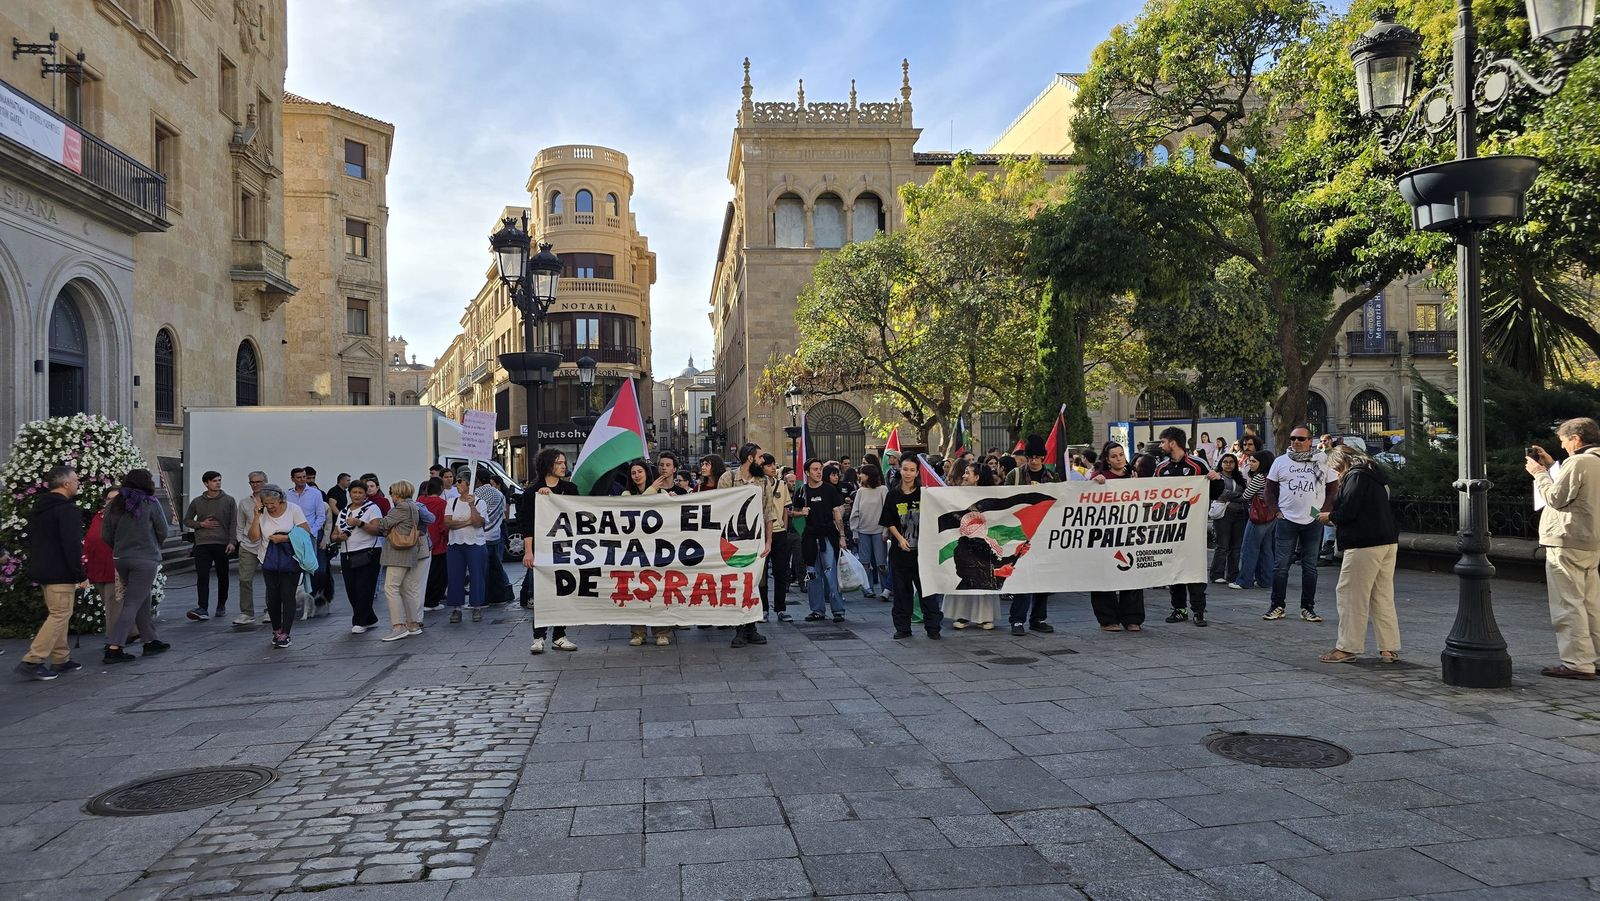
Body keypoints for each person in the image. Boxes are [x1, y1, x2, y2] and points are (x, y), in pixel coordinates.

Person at [1528, 417, 1600, 679]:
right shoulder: (1595, 460)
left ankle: (1577, 662)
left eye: (1563, 440)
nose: (1562, 446)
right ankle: (1595, 657)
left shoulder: (1578, 462)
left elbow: (1556, 497)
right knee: (1591, 603)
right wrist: (1551, 466)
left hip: (1567, 538)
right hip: (1590, 539)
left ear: (1576, 439)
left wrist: (1539, 473)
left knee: (1568, 602)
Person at [1317, 445, 1401, 664]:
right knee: (1382, 595)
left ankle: (1347, 647)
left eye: (1335, 469)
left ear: (1340, 463)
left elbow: (1349, 510)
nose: (1335, 474)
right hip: (1387, 540)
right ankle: (1389, 647)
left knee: (1350, 595)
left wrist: (1330, 517)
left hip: (1364, 542)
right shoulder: (1375, 475)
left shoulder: (1356, 476)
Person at [14, 466, 87, 680]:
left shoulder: (40, 508)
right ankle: (33, 660)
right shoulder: (67, 510)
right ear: (66, 484)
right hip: (60, 571)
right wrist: (80, 574)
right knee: (60, 614)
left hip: (43, 569)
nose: (78, 483)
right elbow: (72, 545)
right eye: (76, 480)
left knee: (59, 613)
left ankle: (60, 658)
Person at [1263, 427, 1339, 623]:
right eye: (1293, 438)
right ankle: (1277, 606)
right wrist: (1276, 511)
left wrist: (1324, 512)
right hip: (1286, 520)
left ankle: (1308, 608)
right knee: (1280, 566)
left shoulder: (1322, 461)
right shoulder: (1280, 461)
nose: (1296, 441)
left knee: (1310, 567)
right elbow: (1269, 490)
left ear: (1310, 441)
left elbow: (1333, 489)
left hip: (1313, 520)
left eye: (1301, 438)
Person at [104, 469, 172, 663]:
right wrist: (154, 545)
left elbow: (105, 534)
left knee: (142, 597)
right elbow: (163, 530)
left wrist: (119, 547)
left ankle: (150, 640)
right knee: (133, 602)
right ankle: (114, 647)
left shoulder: (114, 504)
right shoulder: (150, 502)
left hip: (121, 558)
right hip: (144, 558)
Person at [1154, 427, 1213, 627]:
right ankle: (1179, 609)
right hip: (1170, 529)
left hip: (1194, 528)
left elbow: (1212, 491)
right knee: (1175, 569)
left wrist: (1216, 480)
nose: (1161, 446)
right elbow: (1152, 493)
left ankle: (1198, 611)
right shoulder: (1161, 468)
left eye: (1163, 442)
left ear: (1172, 443)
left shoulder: (1197, 464)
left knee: (1195, 570)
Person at [524, 447, 579, 653]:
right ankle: (538, 637)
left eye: (564, 462)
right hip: (543, 550)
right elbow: (527, 524)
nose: (563, 466)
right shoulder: (532, 492)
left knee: (563, 591)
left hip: (565, 549)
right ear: (547, 465)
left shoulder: (570, 489)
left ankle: (559, 635)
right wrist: (528, 552)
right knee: (542, 593)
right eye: (558, 463)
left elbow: (579, 515)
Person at [1003, 435, 1059, 636]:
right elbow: (1005, 499)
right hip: (1021, 532)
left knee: (1043, 577)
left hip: (1044, 532)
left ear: (1043, 457)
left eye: (1038, 457)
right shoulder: (1015, 475)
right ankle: (1017, 620)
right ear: (1026, 457)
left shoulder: (1052, 477)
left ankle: (1038, 619)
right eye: (1031, 457)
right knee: (1022, 576)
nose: (1034, 461)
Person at [882, 456, 941, 640]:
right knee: (901, 592)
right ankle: (903, 628)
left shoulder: (925, 494)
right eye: (905, 469)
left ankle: (933, 627)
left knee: (927, 592)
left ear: (917, 473)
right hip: (900, 553)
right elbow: (888, 520)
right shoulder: (893, 494)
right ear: (900, 470)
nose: (908, 473)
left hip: (923, 554)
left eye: (912, 470)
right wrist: (899, 538)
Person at [367, 479, 433, 641]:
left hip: (398, 553)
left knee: (391, 588)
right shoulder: (413, 506)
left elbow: (382, 525)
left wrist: (375, 523)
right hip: (409, 551)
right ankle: (413, 624)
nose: (391, 496)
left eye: (393, 493)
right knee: (406, 588)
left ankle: (399, 626)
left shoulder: (401, 507)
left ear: (398, 493)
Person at [1090, 442, 1145, 632]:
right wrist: (1095, 484)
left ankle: (1132, 618)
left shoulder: (1134, 476)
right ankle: (1108, 619)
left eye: (1121, 455)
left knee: (1132, 572)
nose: (1119, 459)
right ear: (1107, 460)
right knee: (1104, 574)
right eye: (1114, 456)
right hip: (1105, 534)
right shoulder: (1100, 478)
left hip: (1130, 533)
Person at [249, 484, 311, 648]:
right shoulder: (261, 513)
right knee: (272, 597)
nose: (270, 507)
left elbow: (306, 532)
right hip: (268, 559)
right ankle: (276, 630)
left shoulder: (293, 509)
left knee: (287, 595)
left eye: (272, 503)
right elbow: (253, 537)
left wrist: (284, 538)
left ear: (281, 500)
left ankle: (285, 633)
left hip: (290, 558)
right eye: (266, 503)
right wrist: (256, 516)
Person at [622, 460, 674, 648]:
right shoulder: (626, 494)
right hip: (635, 551)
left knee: (659, 591)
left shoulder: (662, 494)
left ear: (646, 473)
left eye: (640, 471)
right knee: (636, 591)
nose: (636, 475)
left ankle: (662, 632)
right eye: (633, 473)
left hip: (657, 550)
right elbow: (637, 505)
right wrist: (652, 490)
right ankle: (638, 633)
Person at [945, 459, 1000, 631]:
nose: (963, 475)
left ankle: (984, 617)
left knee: (984, 578)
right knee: (965, 577)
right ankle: (962, 615)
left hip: (983, 546)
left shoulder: (990, 498)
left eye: (967, 473)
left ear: (977, 477)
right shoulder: (956, 494)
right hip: (964, 544)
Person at [796, 459, 848, 623]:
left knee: (831, 574)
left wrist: (842, 536)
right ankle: (817, 610)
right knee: (813, 575)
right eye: (815, 469)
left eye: (820, 469)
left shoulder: (829, 490)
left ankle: (838, 610)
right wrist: (800, 512)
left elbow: (837, 513)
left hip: (828, 536)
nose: (818, 472)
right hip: (810, 538)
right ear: (807, 472)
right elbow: (792, 512)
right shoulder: (801, 491)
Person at [183, 470, 237, 622]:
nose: (217, 483)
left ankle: (221, 604)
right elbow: (187, 520)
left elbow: (233, 522)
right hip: (202, 543)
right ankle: (202, 607)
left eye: (219, 480)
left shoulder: (229, 500)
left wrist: (232, 541)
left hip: (222, 543)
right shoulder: (197, 501)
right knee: (202, 576)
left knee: (223, 575)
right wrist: (201, 524)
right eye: (214, 481)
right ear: (206, 483)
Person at [332, 482, 384, 633]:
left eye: (360, 492)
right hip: (347, 553)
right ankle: (370, 618)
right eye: (354, 492)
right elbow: (334, 534)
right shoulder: (344, 512)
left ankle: (359, 621)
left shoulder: (372, 508)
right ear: (349, 493)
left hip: (368, 551)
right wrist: (338, 537)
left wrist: (359, 523)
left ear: (365, 494)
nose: (357, 495)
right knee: (351, 589)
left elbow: (377, 529)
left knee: (364, 587)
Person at [443, 479, 489, 624]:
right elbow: (448, 522)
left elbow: (478, 523)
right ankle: (456, 608)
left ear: (469, 485)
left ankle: (476, 606)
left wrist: (471, 505)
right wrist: (466, 522)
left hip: (475, 542)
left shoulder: (480, 502)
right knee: (455, 576)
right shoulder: (452, 502)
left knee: (477, 575)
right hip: (455, 543)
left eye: (460, 482)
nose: (457, 485)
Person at [86, 489, 127, 645]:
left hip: (115, 566)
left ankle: (113, 640)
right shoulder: (99, 516)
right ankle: (132, 631)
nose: (111, 502)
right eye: (109, 499)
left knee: (113, 602)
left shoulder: (124, 517)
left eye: (115, 499)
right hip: (97, 566)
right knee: (108, 602)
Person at [1232, 450, 1278, 591]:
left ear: (1262, 463)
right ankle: (1266, 580)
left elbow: (1246, 495)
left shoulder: (1260, 477)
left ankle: (1244, 581)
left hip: (1258, 517)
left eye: (1253, 461)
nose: (1250, 464)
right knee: (1266, 550)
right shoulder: (1274, 476)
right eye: (1249, 461)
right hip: (1272, 515)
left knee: (1249, 548)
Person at [761, 454, 795, 623]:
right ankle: (763, 609)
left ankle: (781, 608)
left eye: (774, 464)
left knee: (781, 572)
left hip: (780, 533)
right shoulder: (757, 485)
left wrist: (784, 528)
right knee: (762, 575)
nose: (773, 468)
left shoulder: (781, 484)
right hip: (762, 534)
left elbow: (786, 509)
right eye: (769, 465)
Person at [233, 471, 269, 626]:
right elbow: (240, 523)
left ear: (265, 482)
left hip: (267, 544)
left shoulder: (272, 500)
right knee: (245, 579)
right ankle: (247, 613)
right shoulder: (244, 502)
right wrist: (240, 540)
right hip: (248, 545)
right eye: (252, 482)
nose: (255, 485)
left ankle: (270, 610)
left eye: (258, 482)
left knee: (271, 580)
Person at [289, 468, 329, 603]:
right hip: (293, 536)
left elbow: (321, 516)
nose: (302, 479)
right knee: (294, 566)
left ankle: (311, 597)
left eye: (304, 477)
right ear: (292, 479)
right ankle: (295, 598)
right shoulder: (287, 495)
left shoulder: (315, 493)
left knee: (311, 567)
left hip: (310, 535)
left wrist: (312, 531)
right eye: (299, 477)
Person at [1208, 454, 1248, 586]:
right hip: (1223, 514)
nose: (1228, 464)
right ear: (1221, 463)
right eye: (1225, 462)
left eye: (1231, 462)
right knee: (1222, 545)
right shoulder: (1216, 477)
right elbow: (1221, 493)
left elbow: (1246, 495)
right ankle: (1217, 574)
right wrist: (1239, 496)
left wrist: (1237, 497)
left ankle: (1233, 575)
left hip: (1240, 514)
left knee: (1236, 547)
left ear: (1235, 464)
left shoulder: (1239, 477)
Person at [849, 465, 888, 600]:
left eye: (863, 474)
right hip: (863, 531)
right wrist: (855, 531)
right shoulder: (860, 491)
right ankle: (867, 588)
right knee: (865, 563)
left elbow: (887, 511)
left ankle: (886, 589)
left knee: (881, 563)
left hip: (879, 531)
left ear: (870, 475)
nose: (860, 476)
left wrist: (886, 530)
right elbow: (855, 512)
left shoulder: (883, 490)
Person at [477, 471, 514, 605]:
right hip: (496, 534)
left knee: (483, 570)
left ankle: (484, 599)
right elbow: (504, 514)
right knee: (496, 567)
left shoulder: (477, 493)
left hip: (482, 536)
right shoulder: (499, 494)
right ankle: (500, 596)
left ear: (478, 480)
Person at [419, 477, 450, 609]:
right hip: (438, 542)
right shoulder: (442, 503)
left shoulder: (420, 500)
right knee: (438, 574)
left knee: (423, 573)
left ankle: (423, 600)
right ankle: (432, 601)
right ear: (441, 488)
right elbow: (444, 525)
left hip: (422, 540)